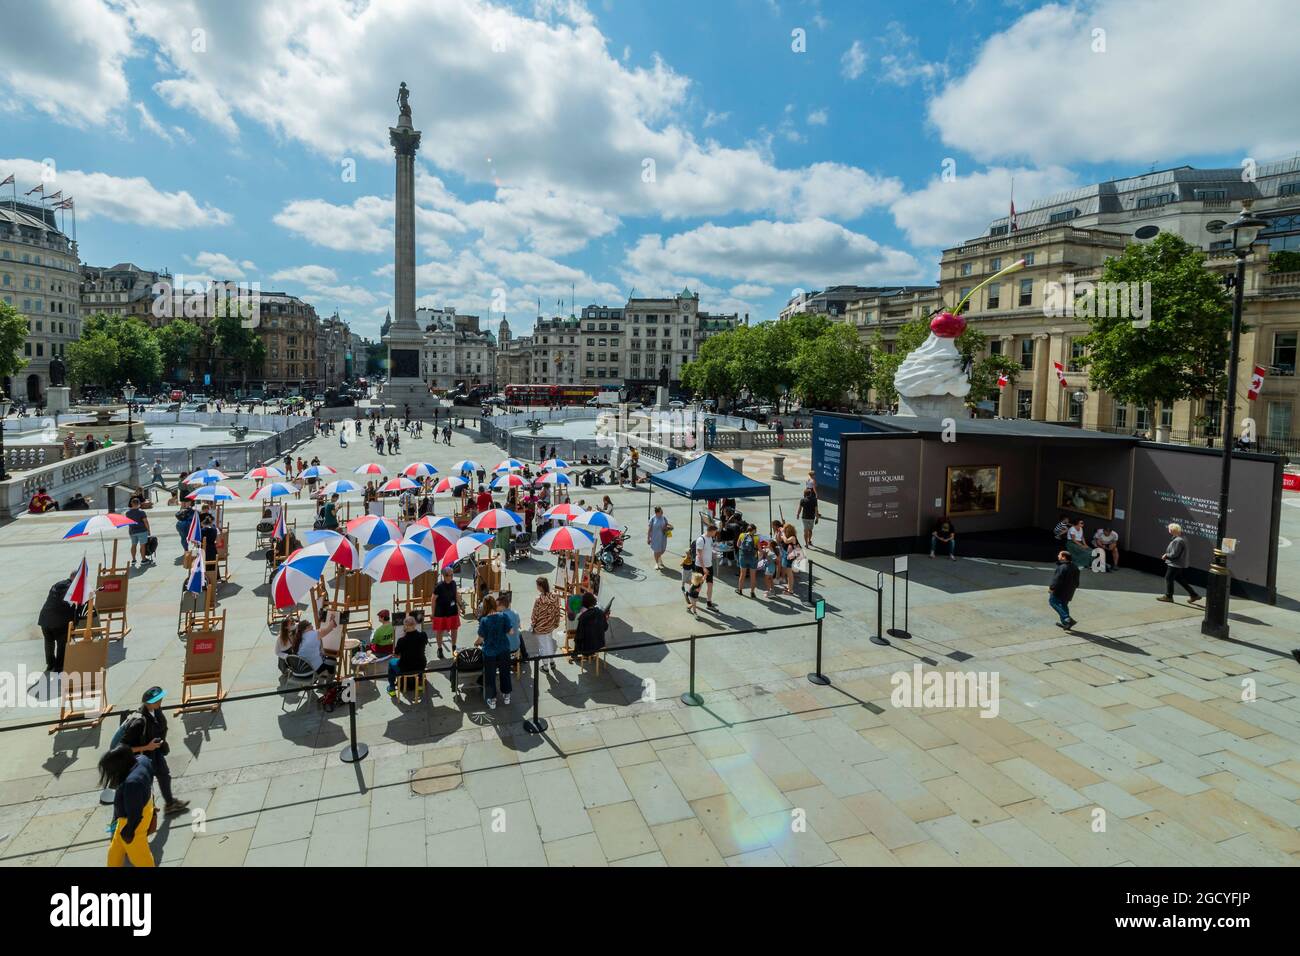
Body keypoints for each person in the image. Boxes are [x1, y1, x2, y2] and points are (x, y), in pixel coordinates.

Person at [116, 686, 190, 815]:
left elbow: (161, 728)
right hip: (142, 759)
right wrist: (146, 747)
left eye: (160, 698)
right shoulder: (139, 722)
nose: (160, 701)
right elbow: (123, 748)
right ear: (148, 703)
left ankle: (170, 803)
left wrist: (160, 743)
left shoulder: (157, 711)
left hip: (155, 753)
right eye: (157, 700)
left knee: (164, 775)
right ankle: (147, 808)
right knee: (146, 784)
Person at [99, 745, 156, 868]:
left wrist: (129, 832)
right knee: (114, 852)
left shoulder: (132, 784)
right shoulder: (142, 760)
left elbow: (135, 814)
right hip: (142, 810)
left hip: (131, 825)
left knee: (142, 859)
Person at [475, 596, 512, 709]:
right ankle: (506, 695)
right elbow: (511, 631)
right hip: (504, 648)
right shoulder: (503, 616)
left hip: (490, 651)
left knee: (490, 675)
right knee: (504, 671)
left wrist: (475, 643)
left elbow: (481, 639)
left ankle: (492, 699)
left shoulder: (484, 620)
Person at [38, 574, 79, 674]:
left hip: (45, 619)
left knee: (49, 642)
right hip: (59, 622)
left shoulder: (57, 585)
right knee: (62, 643)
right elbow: (72, 605)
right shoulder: (71, 588)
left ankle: (50, 664)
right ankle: (59, 667)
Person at [1158, 522, 1200, 604]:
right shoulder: (1182, 538)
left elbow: (1174, 554)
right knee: (1179, 579)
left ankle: (1168, 596)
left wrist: (1166, 555)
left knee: (1168, 578)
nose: (1168, 530)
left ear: (1173, 530)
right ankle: (1194, 595)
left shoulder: (1178, 540)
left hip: (1175, 564)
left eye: (1169, 529)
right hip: (1179, 563)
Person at [388, 615, 429, 698]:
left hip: (405, 668)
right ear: (415, 625)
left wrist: (395, 653)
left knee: (391, 663)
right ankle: (420, 684)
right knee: (418, 659)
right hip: (420, 665)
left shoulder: (402, 640)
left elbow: (396, 654)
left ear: (405, 626)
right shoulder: (423, 635)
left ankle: (392, 688)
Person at [530, 577, 562, 672]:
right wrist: (556, 622)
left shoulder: (539, 600)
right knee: (549, 642)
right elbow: (557, 611)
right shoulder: (555, 597)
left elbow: (535, 615)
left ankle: (545, 666)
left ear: (540, 587)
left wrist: (532, 625)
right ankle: (552, 661)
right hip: (550, 625)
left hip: (540, 627)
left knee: (542, 646)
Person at [431, 565, 461, 657]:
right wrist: (433, 613)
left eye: (452, 575)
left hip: (452, 610)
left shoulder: (453, 583)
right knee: (440, 631)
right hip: (441, 612)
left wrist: (459, 606)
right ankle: (440, 649)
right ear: (444, 576)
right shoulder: (439, 586)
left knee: (454, 629)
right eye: (448, 575)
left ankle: (454, 647)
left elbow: (455, 594)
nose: (451, 577)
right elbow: (433, 599)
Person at [1048, 550, 1080, 630]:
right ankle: (1067, 624)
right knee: (1063, 605)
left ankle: (1067, 618)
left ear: (1063, 557)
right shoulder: (1075, 566)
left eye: (1059, 555)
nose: (1058, 556)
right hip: (1070, 591)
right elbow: (1077, 581)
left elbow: (1057, 580)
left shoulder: (1062, 567)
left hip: (1059, 591)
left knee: (1052, 602)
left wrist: (1052, 588)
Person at [573, 590, 609, 659]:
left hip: (587, 648)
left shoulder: (583, 617)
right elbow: (605, 628)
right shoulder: (600, 613)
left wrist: (576, 650)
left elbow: (579, 636)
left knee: (577, 639)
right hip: (600, 643)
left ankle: (575, 654)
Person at [694, 524, 717, 610]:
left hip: (709, 565)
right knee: (698, 586)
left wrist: (713, 553)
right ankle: (692, 600)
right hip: (700, 566)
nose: (715, 534)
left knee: (710, 585)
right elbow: (699, 555)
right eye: (715, 532)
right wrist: (704, 568)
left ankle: (709, 602)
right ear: (711, 531)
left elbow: (709, 549)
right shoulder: (701, 540)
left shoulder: (710, 538)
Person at [125, 496, 152, 567]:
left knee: (133, 545)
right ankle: (143, 560)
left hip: (132, 531)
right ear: (139, 503)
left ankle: (133, 559)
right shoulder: (141, 512)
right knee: (142, 545)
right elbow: (145, 522)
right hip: (142, 530)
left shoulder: (128, 513)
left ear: (131, 503)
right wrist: (148, 530)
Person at [735, 523, 759, 597]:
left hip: (743, 557)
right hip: (753, 558)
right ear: (754, 530)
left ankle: (740, 590)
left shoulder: (742, 535)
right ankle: (752, 592)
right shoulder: (756, 538)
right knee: (753, 576)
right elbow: (759, 549)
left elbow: (738, 545)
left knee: (742, 574)